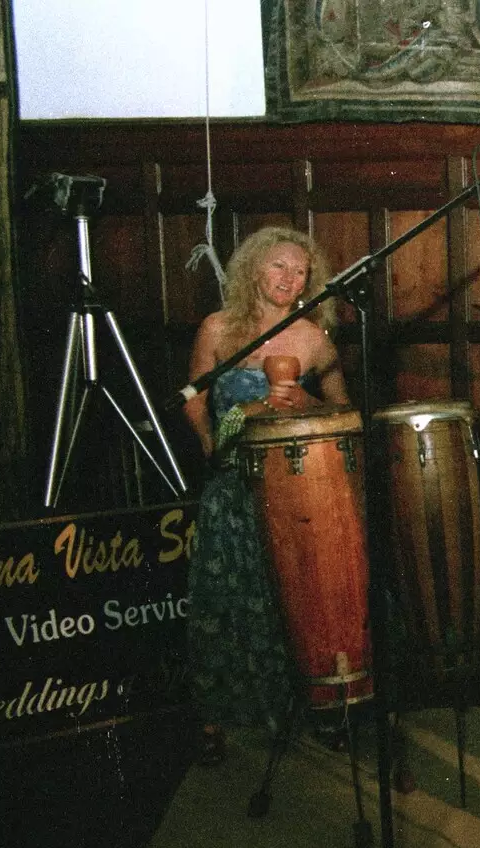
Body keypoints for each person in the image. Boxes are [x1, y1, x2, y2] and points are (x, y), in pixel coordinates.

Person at [183, 226, 349, 764]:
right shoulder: (218, 328)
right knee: (225, 596)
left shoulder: (315, 339)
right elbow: (195, 395)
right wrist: (209, 439)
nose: (289, 278)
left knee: (296, 598)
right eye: (279, 266)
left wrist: (302, 399)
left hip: (297, 491)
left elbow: (344, 415)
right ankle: (218, 717)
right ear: (254, 269)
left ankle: (308, 706)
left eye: (300, 271)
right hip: (232, 487)